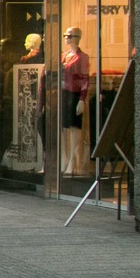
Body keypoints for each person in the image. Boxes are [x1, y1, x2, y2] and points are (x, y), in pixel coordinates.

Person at [60, 26, 91, 173]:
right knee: (65, 127)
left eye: (70, 35)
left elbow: (85, 78)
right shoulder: (63, 55)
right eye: (65, 35)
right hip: (64, 94)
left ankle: (73, 160)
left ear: (77, 38)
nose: (66, 37)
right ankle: (66, 159)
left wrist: (82, 99)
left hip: (75, 94)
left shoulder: (82, 57)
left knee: (75, 127)